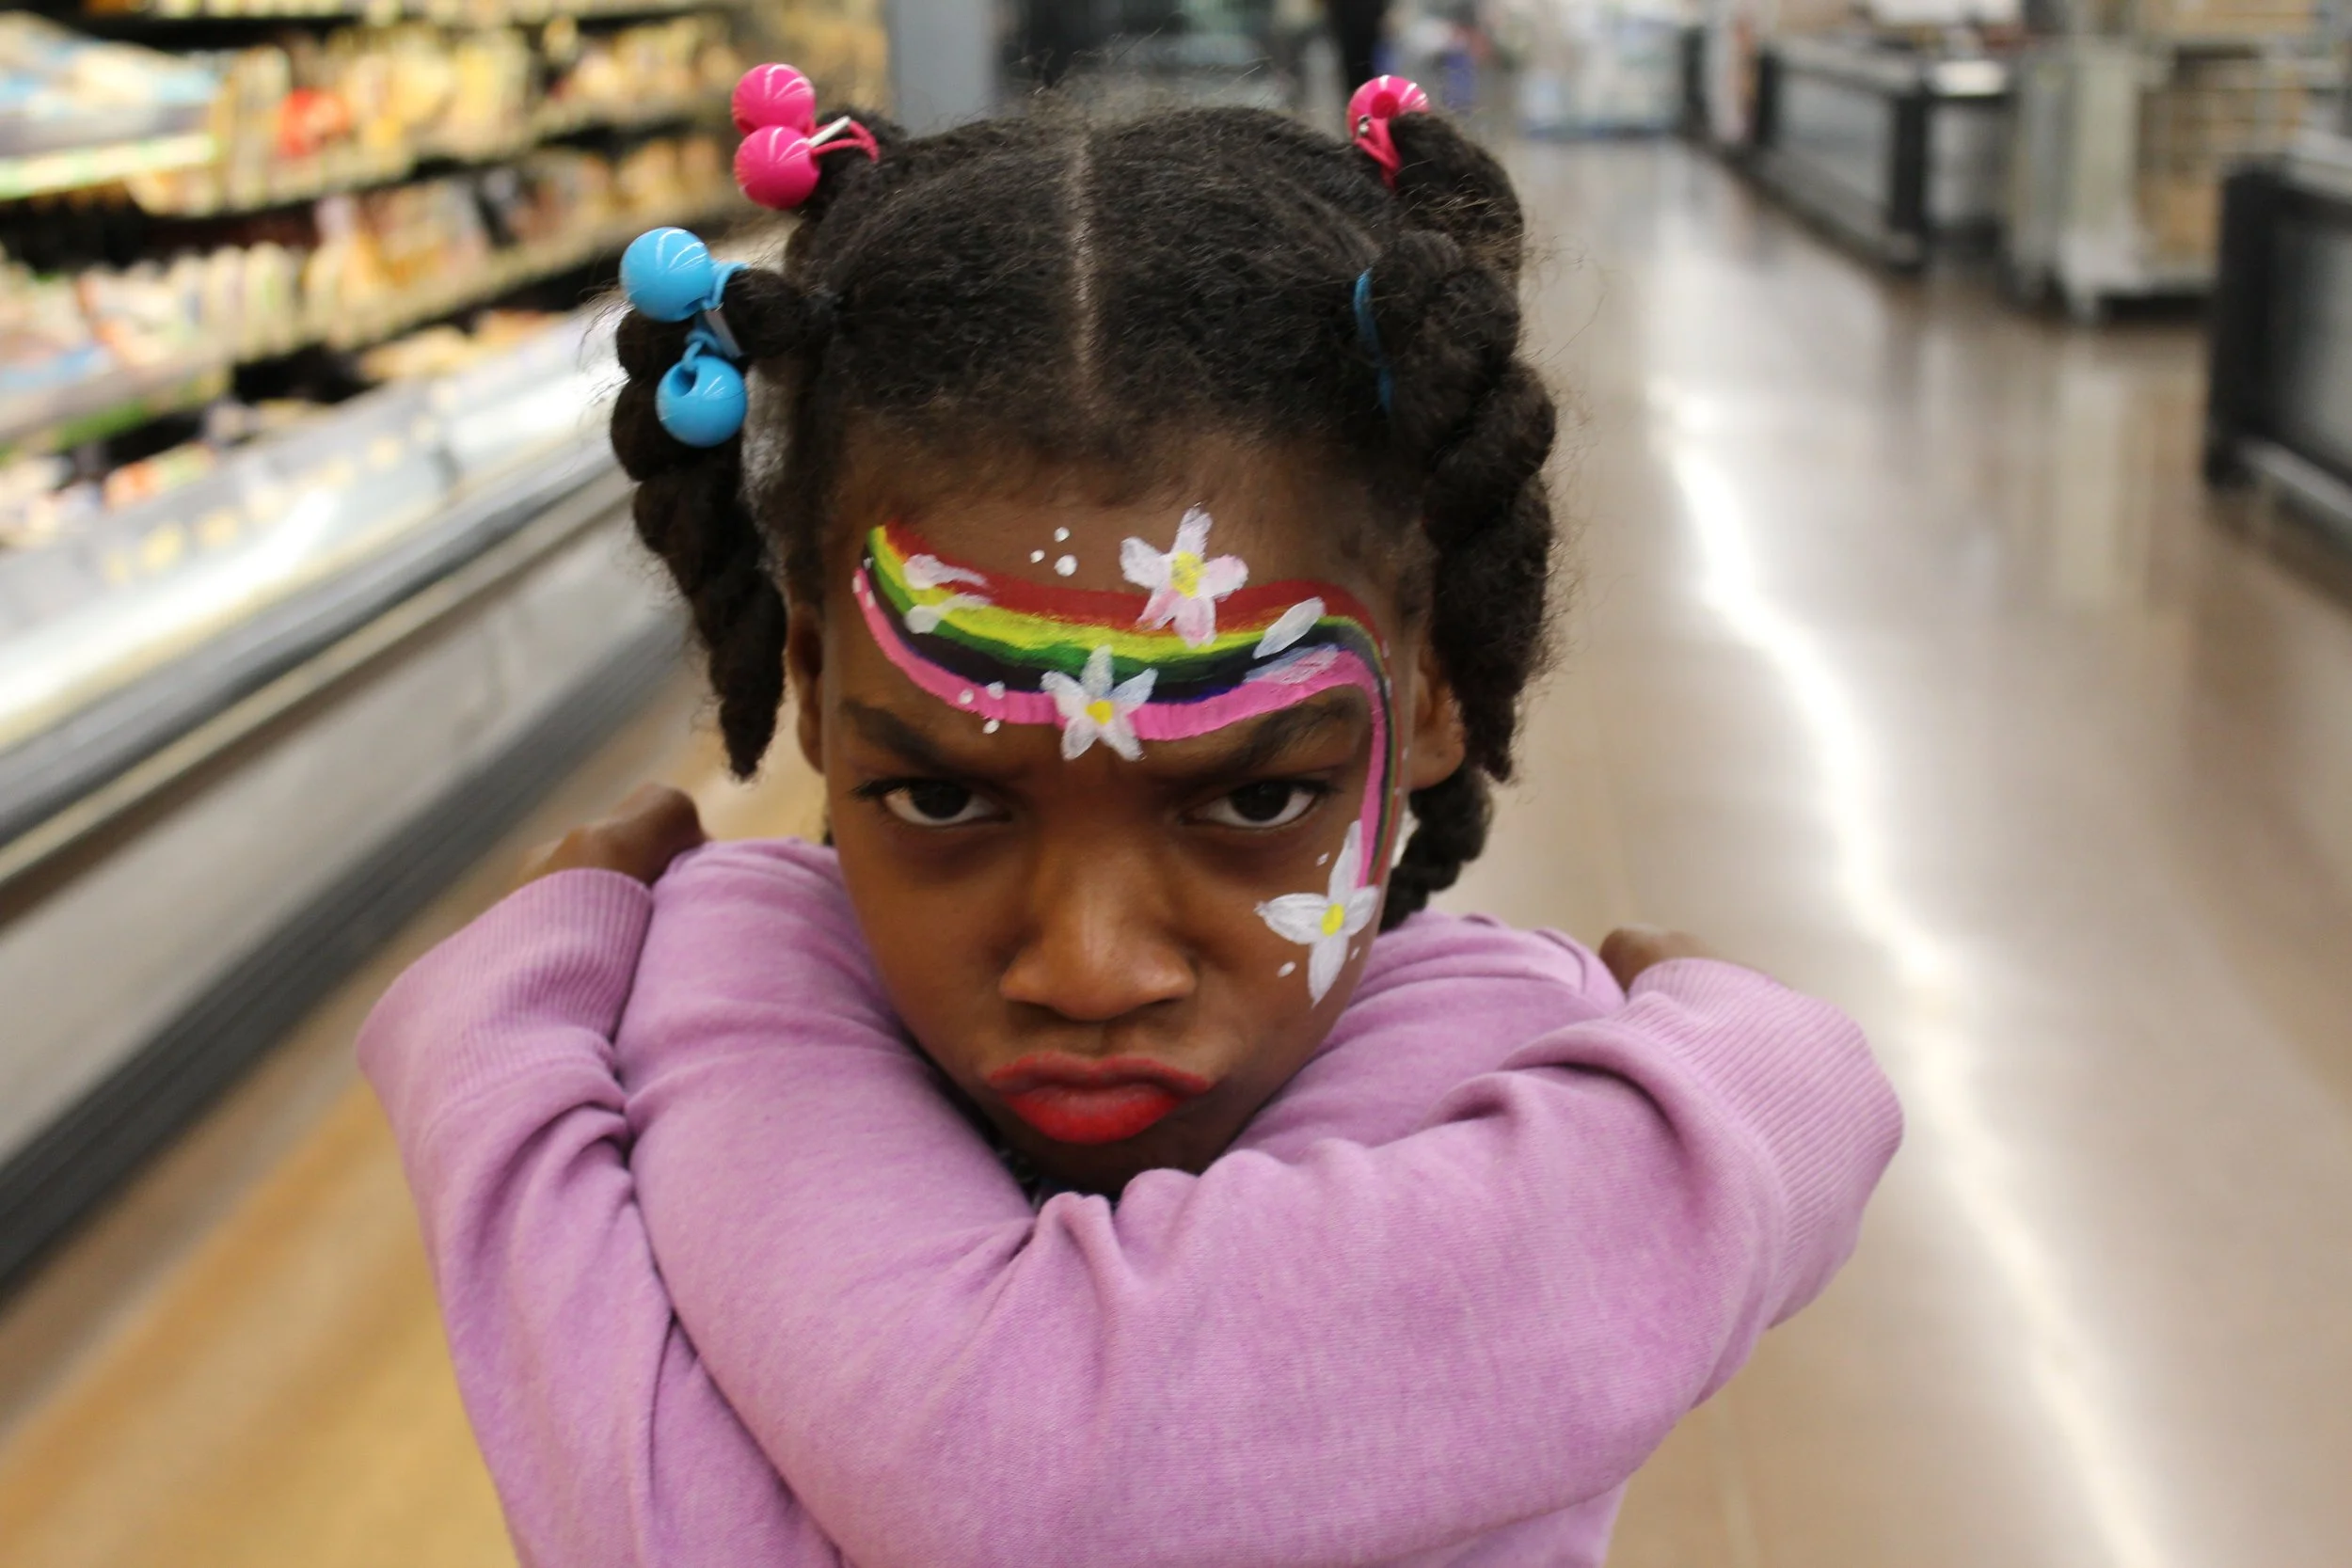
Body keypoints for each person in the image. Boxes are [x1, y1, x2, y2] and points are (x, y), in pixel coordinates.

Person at [358, 71, 1902, 1568]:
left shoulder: (1487, 1049)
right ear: (817, 686)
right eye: (946, 794)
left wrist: (496, 1069)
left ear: (1431, 687)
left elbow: (1002, 1481)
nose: (1090, 969)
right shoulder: (763, 963)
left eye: (1253, 796)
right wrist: (1733, 1147)